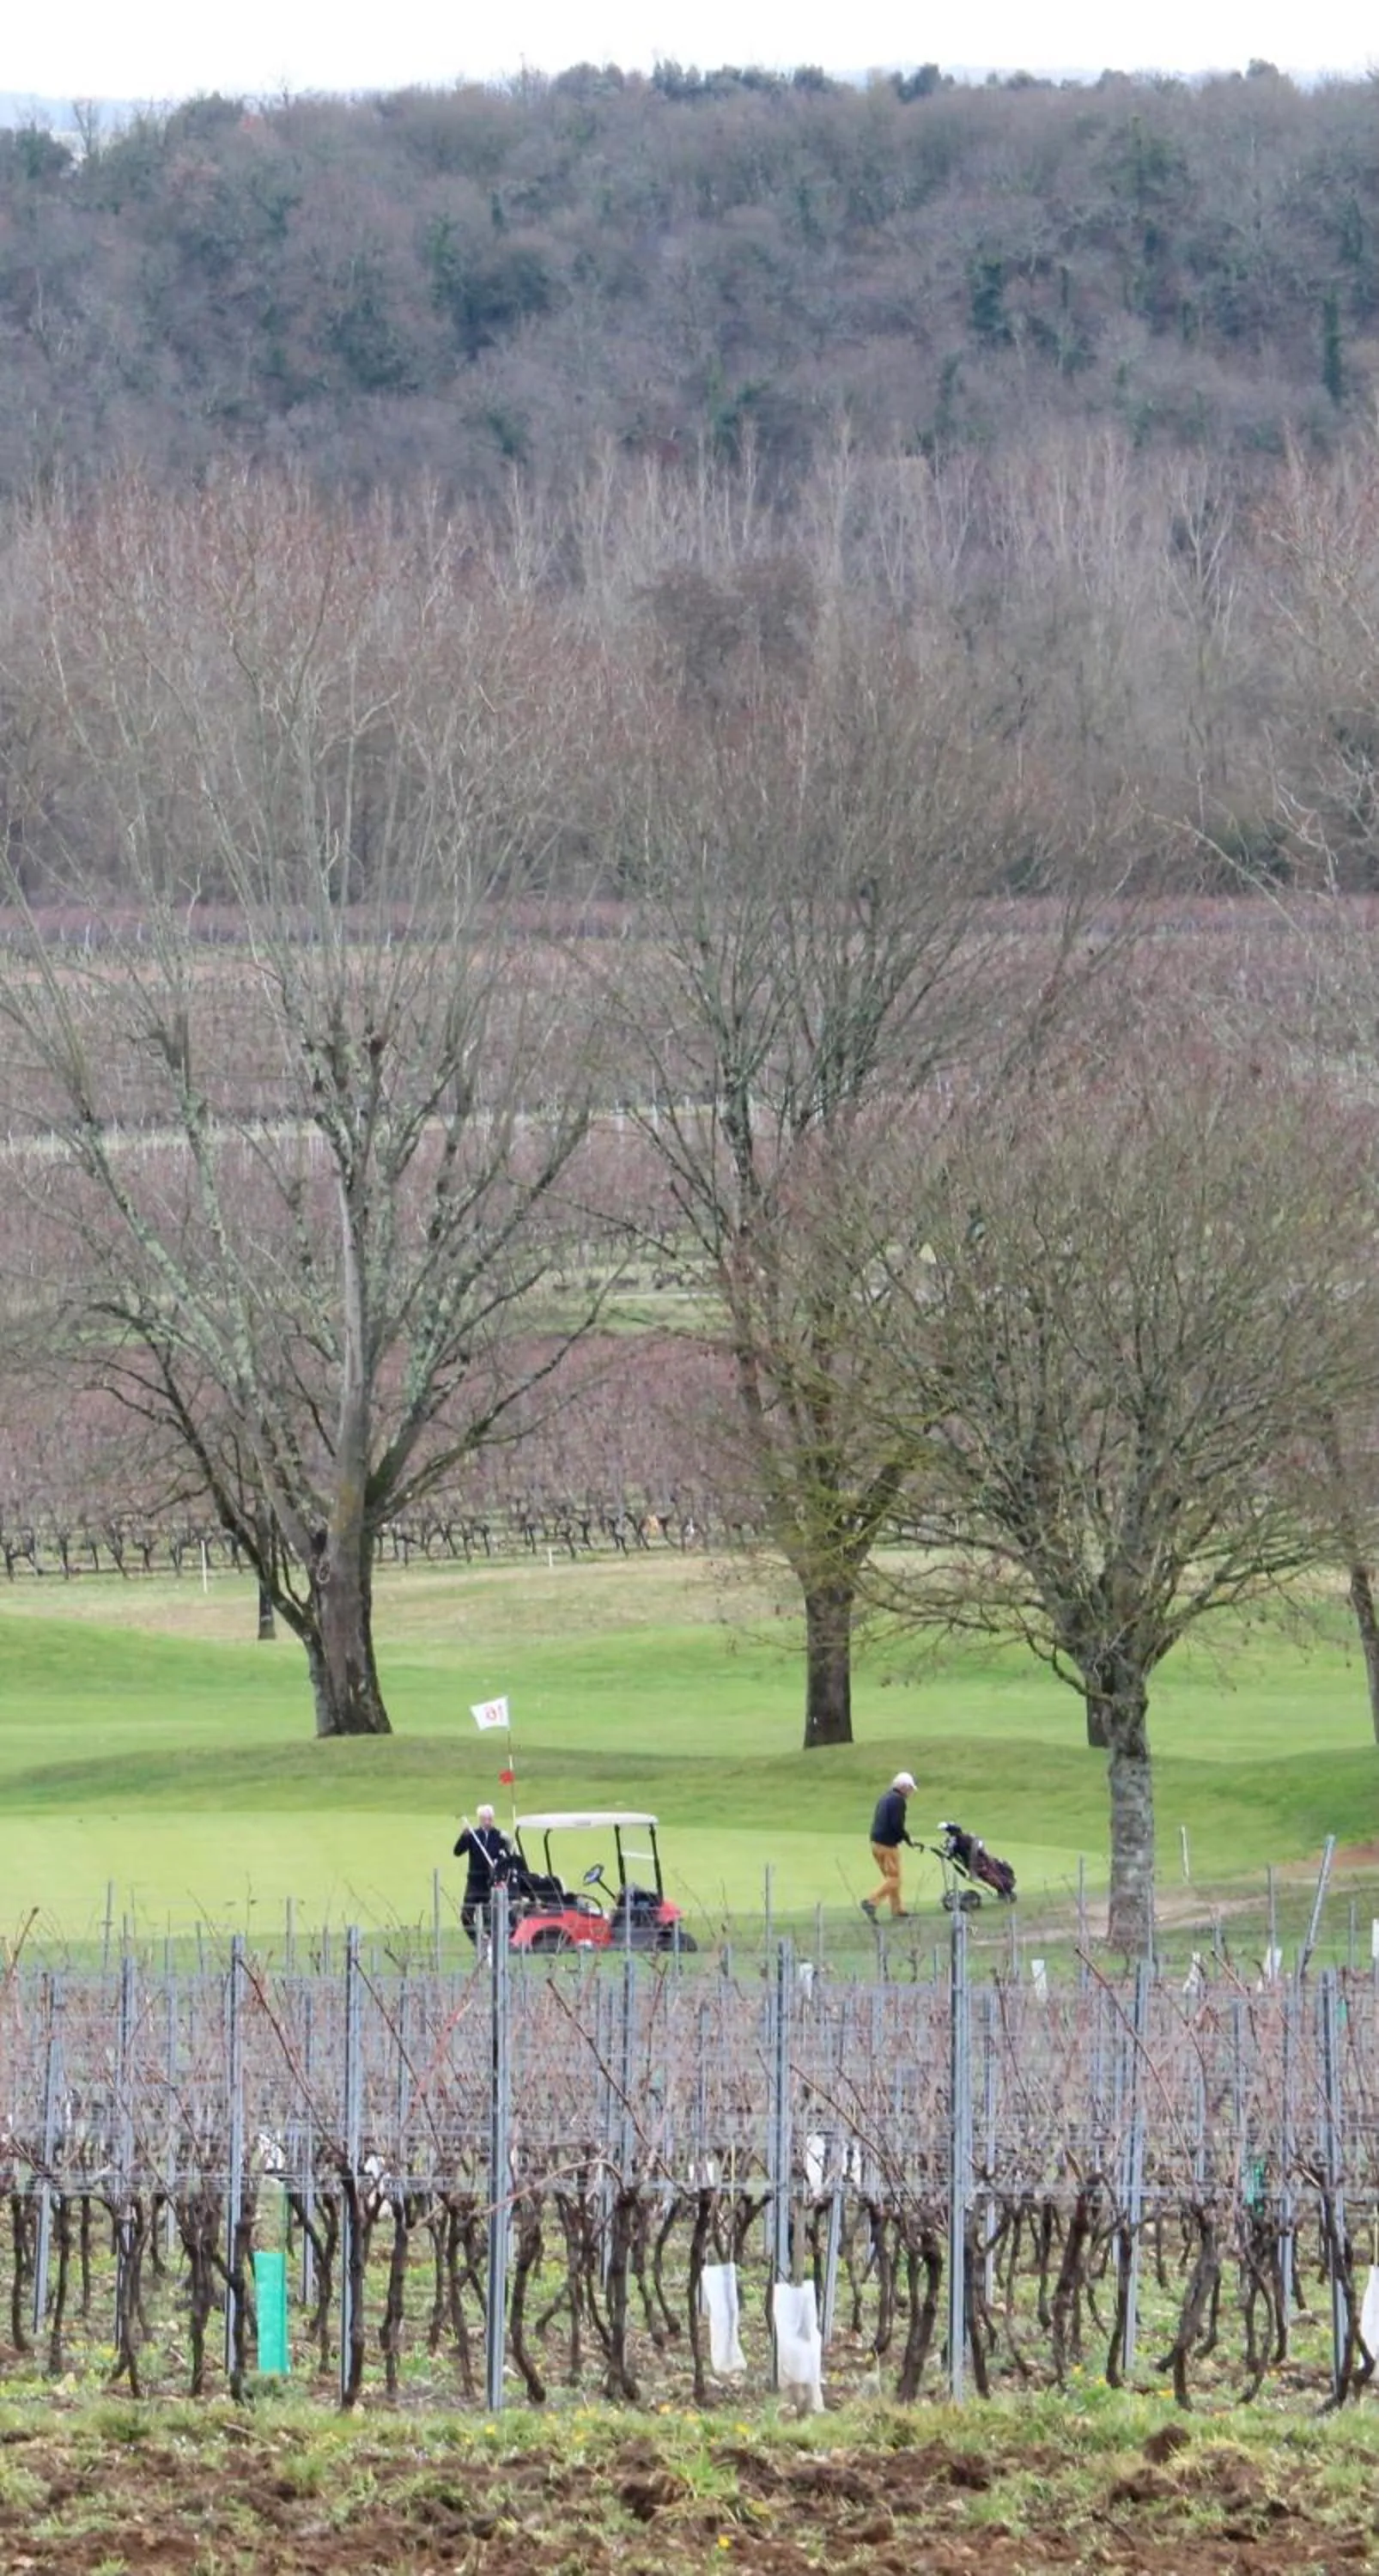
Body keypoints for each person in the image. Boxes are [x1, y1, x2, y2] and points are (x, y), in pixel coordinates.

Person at [453, 1804, 513, 1946]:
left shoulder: (499, 1837)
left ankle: (490, 1946)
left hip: (490, 1883)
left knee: (489, 1918)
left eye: (490, 1819)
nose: (488, 1822)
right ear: (480, 1820)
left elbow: (507, 1859)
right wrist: (464, 1836)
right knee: (466, 1916)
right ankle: (478, 1942)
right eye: (485, 1819)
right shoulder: (473, 1836)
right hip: (474, 1882)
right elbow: (457, 1852)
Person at [861, 1772, 917, 1921]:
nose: (910, 1792)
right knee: (895, 1879)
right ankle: (871, 1901)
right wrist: (906, 1838)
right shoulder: (899, 1801)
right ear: (903, 1787)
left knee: (890, 1878)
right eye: (910, 1789)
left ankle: (897, 1909)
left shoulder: (885, 1798)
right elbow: (896, 1824)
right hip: (888, 1845)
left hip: (876, 1844)